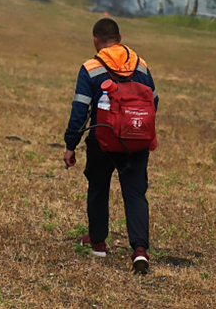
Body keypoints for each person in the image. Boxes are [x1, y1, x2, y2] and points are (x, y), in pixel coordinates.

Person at [63, 18, 158, 273]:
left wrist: (70, 144)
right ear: (120, 38)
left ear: (96, 41)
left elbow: (80, 109)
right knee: (136, 194)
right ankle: (139, 250)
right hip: (136, 142)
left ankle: (98, 243)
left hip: (101, 140)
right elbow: (154, 102)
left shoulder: (91, 67)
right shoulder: (141, 64)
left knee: (98, 188)